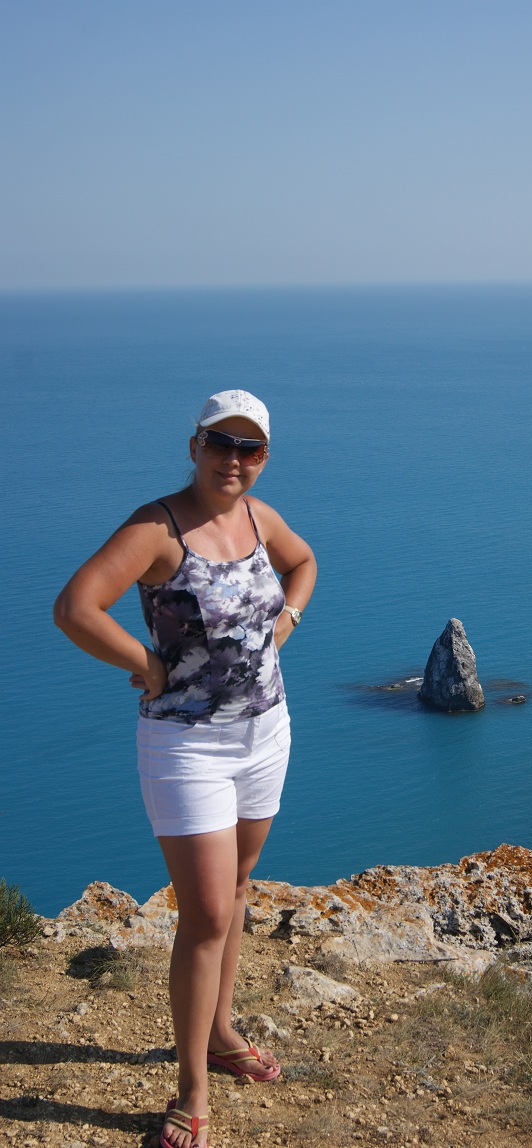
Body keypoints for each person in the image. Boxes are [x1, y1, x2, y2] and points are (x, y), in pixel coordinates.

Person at [54, 389, 317, 1148]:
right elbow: (76, 608)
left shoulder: (259, 519)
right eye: (220, 443)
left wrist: (286, 621)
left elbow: (304, 562)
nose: (234, 459)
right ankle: (193, 1087)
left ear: (264, 457)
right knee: (204, 913)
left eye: (249, 448)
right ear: (195, 445)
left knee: (236, 890)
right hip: (186, 746)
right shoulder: (157, 528)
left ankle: (223, 1032)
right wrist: (145, 663)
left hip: (266, 733)